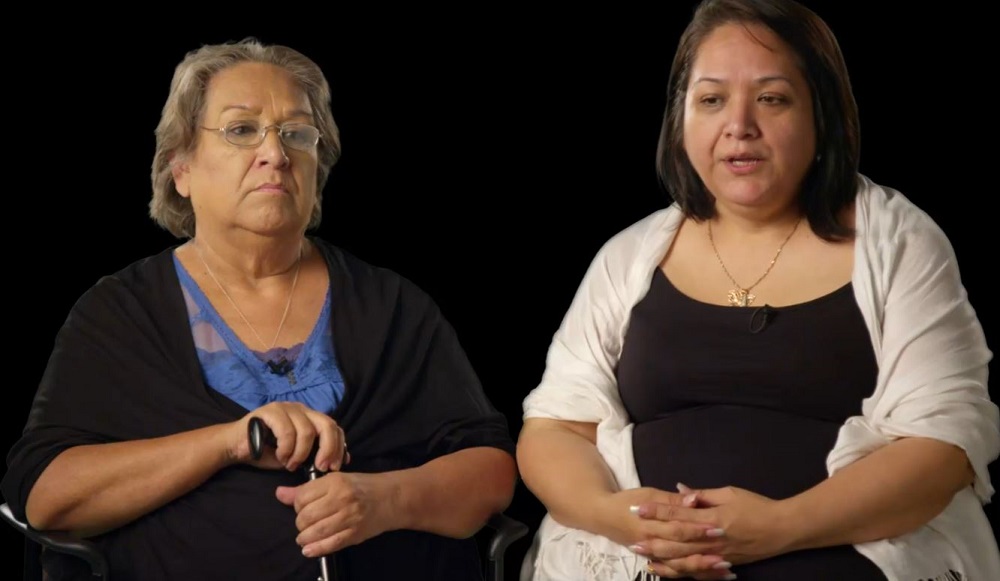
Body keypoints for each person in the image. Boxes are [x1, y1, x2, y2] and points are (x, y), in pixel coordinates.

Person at [515, 0, 1000, 579]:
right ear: (681, 118)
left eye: (771, 98)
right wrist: (619, 517)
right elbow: (554, 428)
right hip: (641, 559)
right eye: (712, 100)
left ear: (821, 115)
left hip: (842, 555)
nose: (738, 125)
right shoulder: (629, 256)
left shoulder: (901, 244)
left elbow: (945, 444)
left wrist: (780, 527)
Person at [1, 38, 517, 581]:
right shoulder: (119, 314)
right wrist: (232, 441)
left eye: (295, 133)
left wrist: (385, 500)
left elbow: (490, 472)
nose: (276, 153)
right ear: (181, 169)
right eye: (241, 130)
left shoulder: (392, 307)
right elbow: (47, 496)